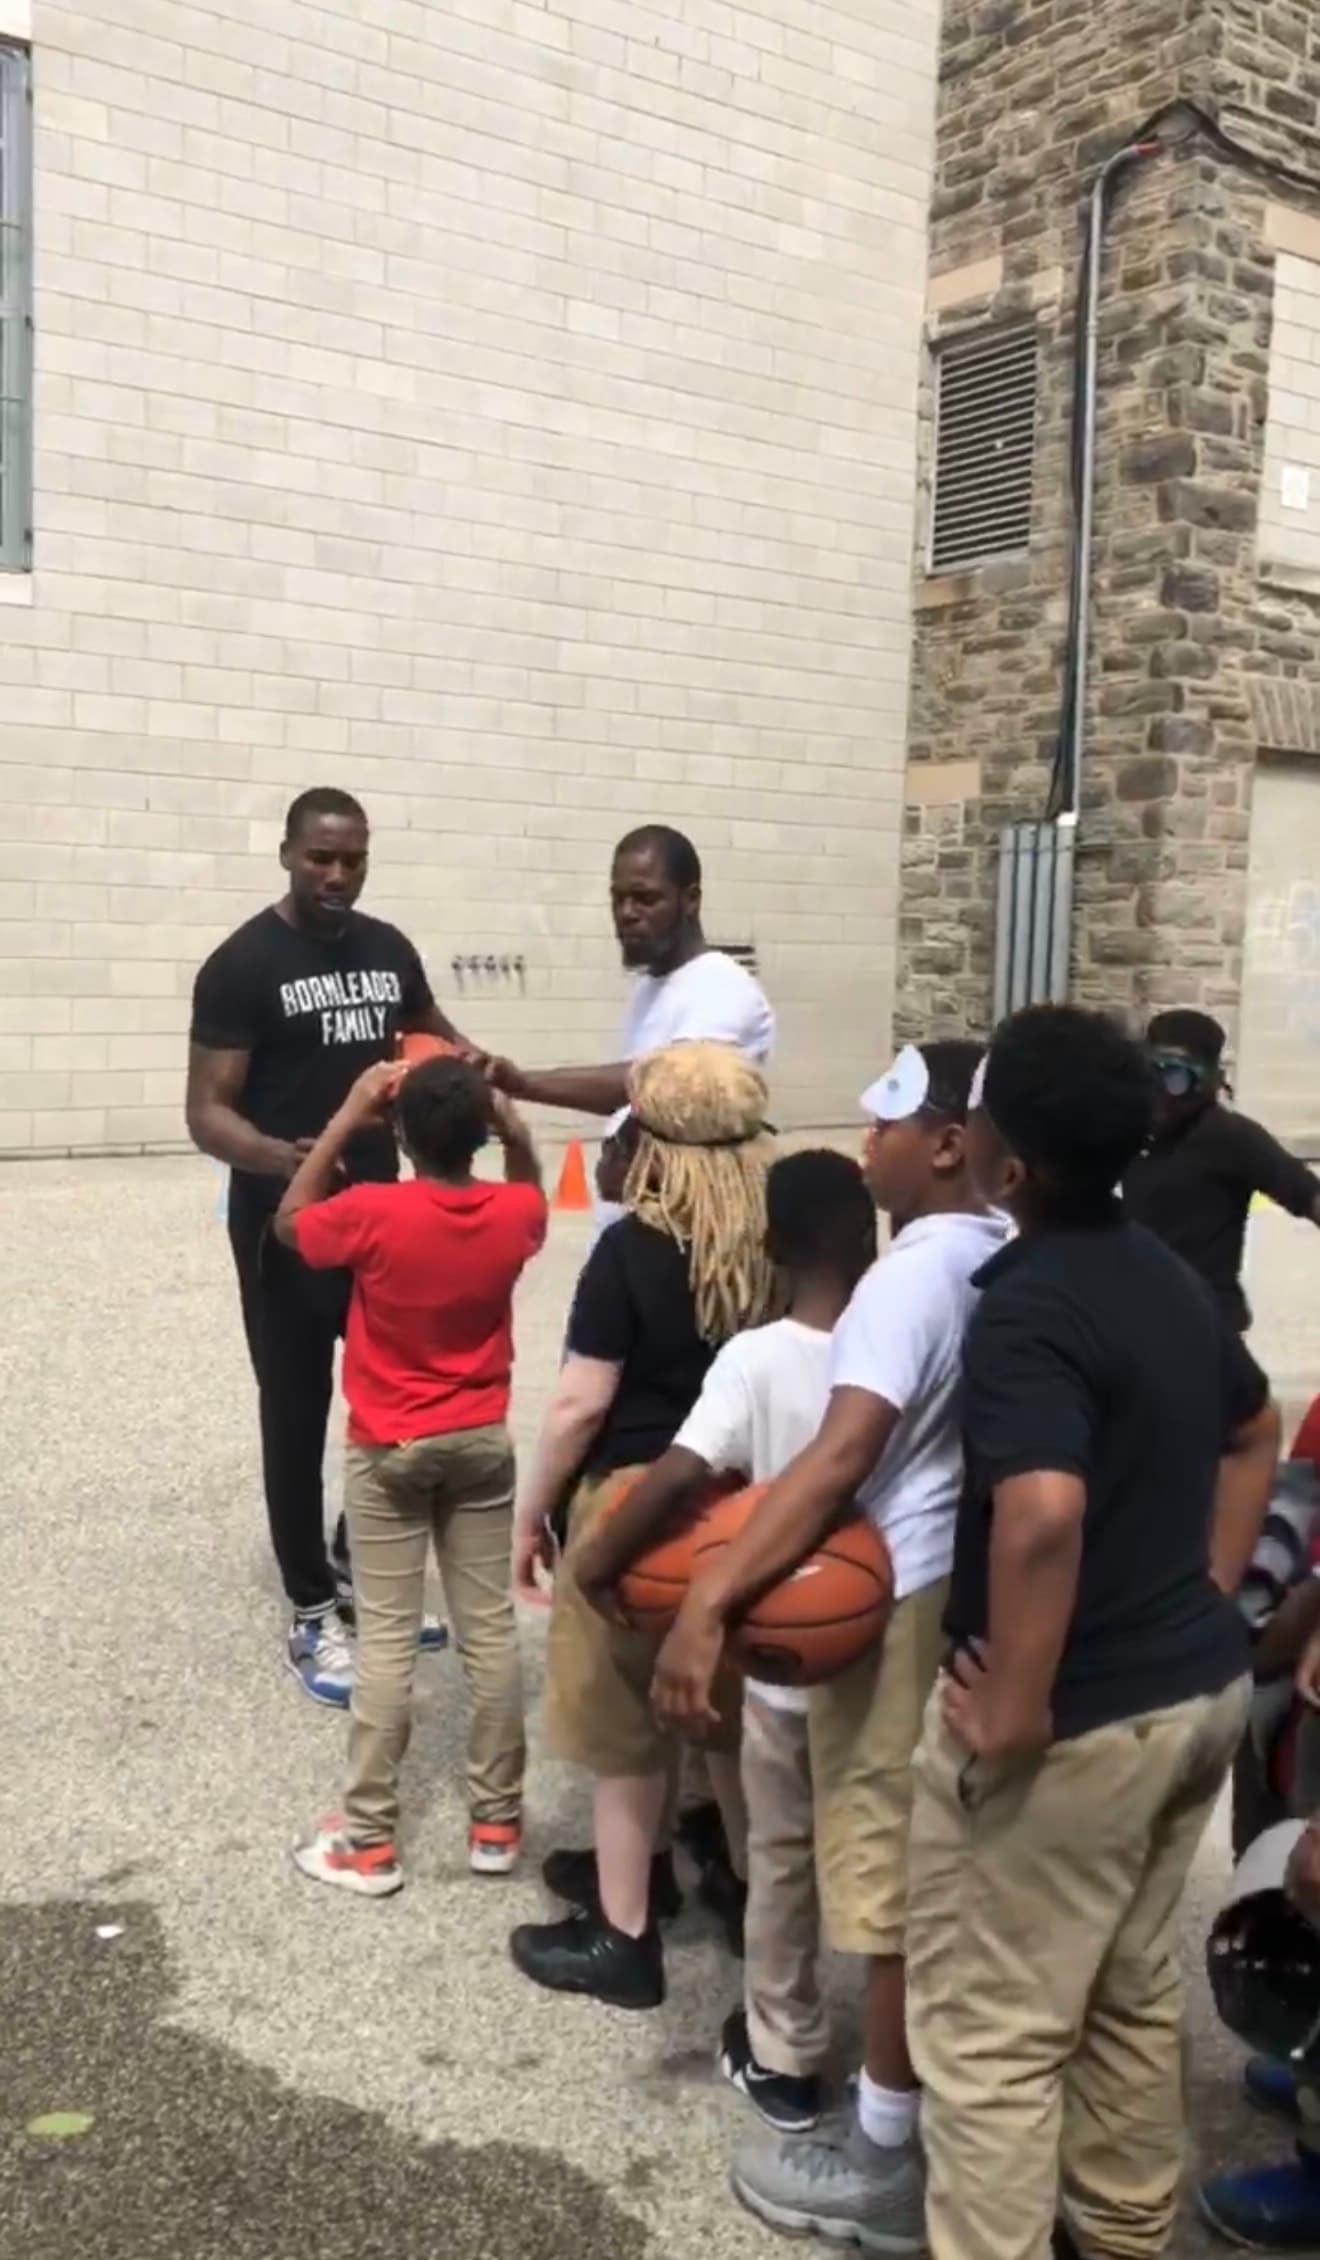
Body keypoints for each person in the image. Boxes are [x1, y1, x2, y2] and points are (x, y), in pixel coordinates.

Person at [904, 1004, 1279, 2260]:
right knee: (1125, 1989)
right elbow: (1253, 1428)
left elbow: (1044, 1512)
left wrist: (1014, 1700)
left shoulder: (1027, 1301)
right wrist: (1210, 1590)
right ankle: (1121, 2235)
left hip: (1080, 1729)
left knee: (994, 2045)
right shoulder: (1165, 1272)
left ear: (1005, 1166)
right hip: (1196, 1698)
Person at [651, 1041, 1007, 2252]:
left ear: (949, 1142)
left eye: (889, 1126)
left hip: (893, 1597)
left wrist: (709, 1600)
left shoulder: (907, 1282)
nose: (870, 1149)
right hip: (966, 1585)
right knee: (933, 1862)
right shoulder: (1005, 1254)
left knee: (881, 1879)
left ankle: (886, 2151)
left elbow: (840, 1459)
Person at [572, 1148, 878, 2133]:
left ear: (773, 1244)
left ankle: (786, 2054)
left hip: (784, 1641)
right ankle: (899, 2067)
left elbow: (676, 1473)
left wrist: (598, 1558)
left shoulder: (756, 1355)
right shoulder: (906, 1342)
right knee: (880, 1849)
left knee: (783, 1849)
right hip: (881, 1639)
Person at [506, 1040, 776, 2010]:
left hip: (636, 1499)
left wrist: (536, 1510)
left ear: (655, 1146)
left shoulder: (631, 1247)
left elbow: (581, 1402)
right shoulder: (775, 1238)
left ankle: (625, 1928)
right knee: (729, 1720)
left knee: (627, 1731)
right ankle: (753, 1900)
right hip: (746, 1503)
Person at [186, 788, 468, 1705]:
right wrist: (282, 1158)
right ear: (287, 855)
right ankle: (309, 1608)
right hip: (287, 1226)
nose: (337, 874)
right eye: (321, 858)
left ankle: (353, 1561)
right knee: (297, 1406)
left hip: (385, 1221)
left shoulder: (389, 949)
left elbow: (432, 1037)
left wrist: (479, 1071)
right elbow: (206, 1112)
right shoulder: (240, 965)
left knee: (398, 1397)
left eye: (352, 859)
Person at [273, 1053, 546, 1893]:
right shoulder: (512, 1211)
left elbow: (290, 1222)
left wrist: (348, 1111)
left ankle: (370, 1839)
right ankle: (496, 1821)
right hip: (478, 1441)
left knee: (387, 1641)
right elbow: (531, 1187)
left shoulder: (373, 1212)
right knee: (489, 1630)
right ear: (480, 1135)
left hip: (390, 1444)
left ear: (398, 1133)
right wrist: (515, 1125)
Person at [1122, 1007, 1320, 1332]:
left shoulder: (1229, 1137)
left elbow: (1309, 1196)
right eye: (1152, 1075)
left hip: (1204, 1328)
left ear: (1210, 1081)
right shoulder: (1126, 1130)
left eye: (1176, 1078)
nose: (1162, 1095)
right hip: (1132, 1323)